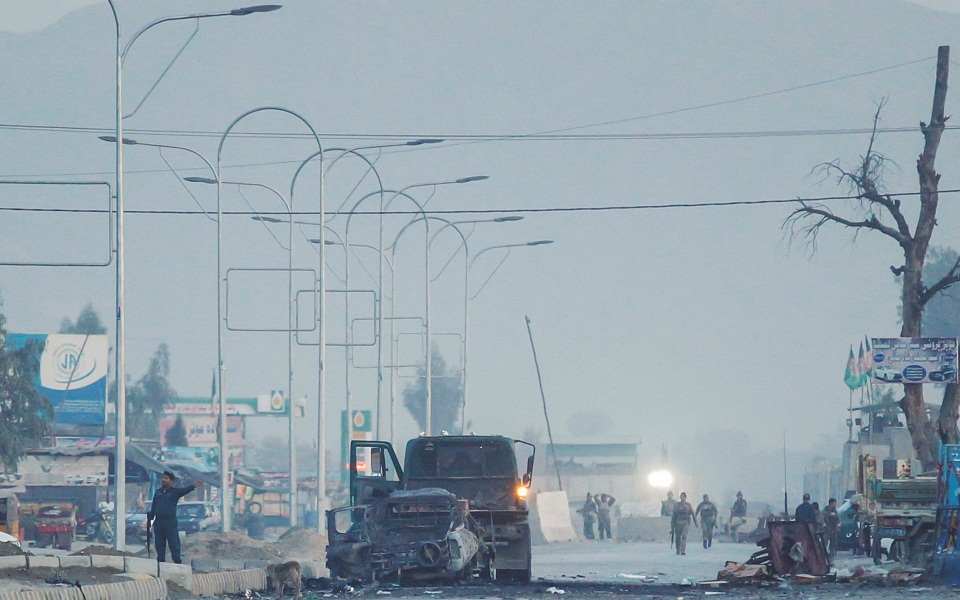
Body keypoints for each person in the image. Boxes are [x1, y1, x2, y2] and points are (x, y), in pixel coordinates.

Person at [148, 471, 203, 563]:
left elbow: (185, 490)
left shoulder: (175, 492)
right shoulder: (158, 492)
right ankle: (161, 562)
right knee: (159, 544)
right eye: (163, 478)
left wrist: (194, 485)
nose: (163, 480)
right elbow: (154, 506)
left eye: (166, 478)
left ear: (171, 481)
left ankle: (177, 561)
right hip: (159, 522)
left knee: (173, 543)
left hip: (170, 522)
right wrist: (150, 519)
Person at [823, 497, 840, 564]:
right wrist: (825, 526)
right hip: (826, 530)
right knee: (824, 544)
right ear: (831, 503)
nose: (835, 505)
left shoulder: (835, 511)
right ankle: (823, 559)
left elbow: (838, 519)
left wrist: (838, 525)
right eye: (835, 503)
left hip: (834, 530)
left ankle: (831, 560)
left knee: (833, 545)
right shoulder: (825, 511)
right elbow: (821, 519)